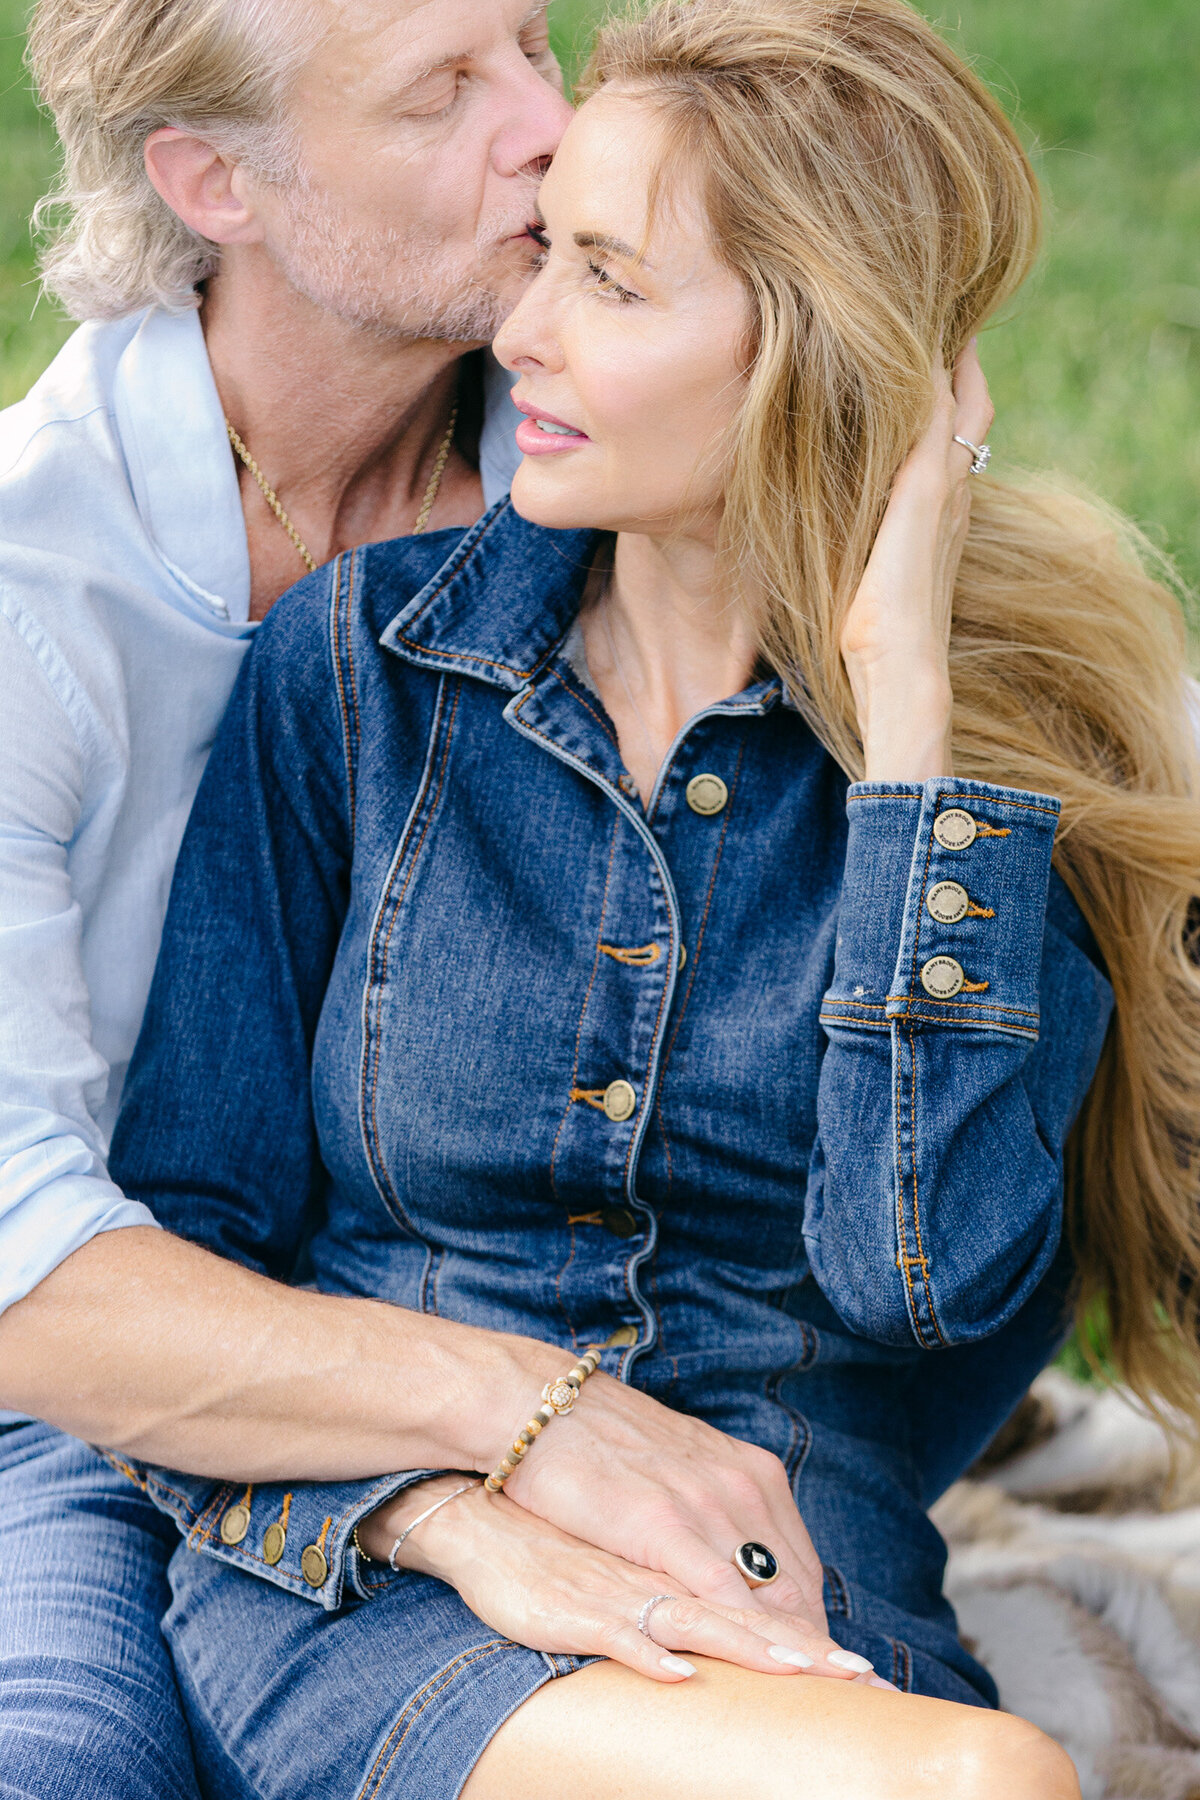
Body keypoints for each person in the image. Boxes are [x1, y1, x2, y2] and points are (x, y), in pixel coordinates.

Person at [104, 0, 1200, 1794]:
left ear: (810, 352)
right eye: (549, 258)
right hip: (387, 1588)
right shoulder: (360, 677)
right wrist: (451, 1518)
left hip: (797, 1612)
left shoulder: (1002, 777)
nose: (520, 330)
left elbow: (918, 1286)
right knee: (990, 1786)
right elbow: (192, 1245)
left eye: (608, 283)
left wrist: (910, 743)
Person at [0, 2, 577, 1794]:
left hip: (516, 1304)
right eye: (444, 93)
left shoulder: (598, 470)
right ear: (211, 180)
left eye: (538, 47)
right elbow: (21, 1277)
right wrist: (537, 1422)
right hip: (76, 1409)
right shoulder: (34, 591)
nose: (550, 128)